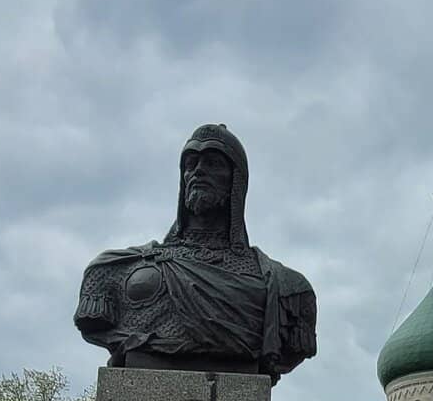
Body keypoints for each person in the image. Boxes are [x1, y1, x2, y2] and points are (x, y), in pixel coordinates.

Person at [74, 123, 317, 380]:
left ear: (235, 182)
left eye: (213, 163)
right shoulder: (113, 270)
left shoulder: (288, 289)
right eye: (191, 163)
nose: (199, 171)